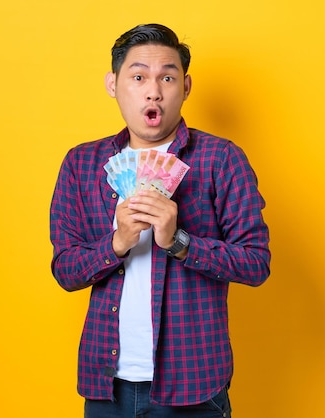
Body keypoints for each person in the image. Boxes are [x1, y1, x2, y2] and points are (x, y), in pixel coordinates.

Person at [49, 23, 271, 418]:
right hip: (105, 387)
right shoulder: (81, 164)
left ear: (185, 87)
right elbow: (65, 270)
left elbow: (256, 263)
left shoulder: (221, 159)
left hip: (194, 386)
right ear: (113, 84)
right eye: (138, 77)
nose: (153, 90)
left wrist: (179, 241)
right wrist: (116, 244)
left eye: (167, 77)